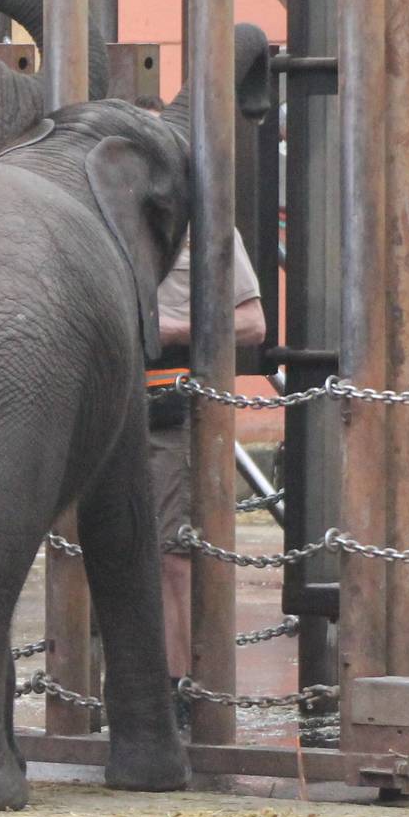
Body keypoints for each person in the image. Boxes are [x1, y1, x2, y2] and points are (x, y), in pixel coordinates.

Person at [137, 95, 266, 726]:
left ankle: (173, 693)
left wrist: (171, 326)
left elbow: (251, 324)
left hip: (163, 406)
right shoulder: (86, 218)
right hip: (87, 406)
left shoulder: (203, 225)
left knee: (170, 552)